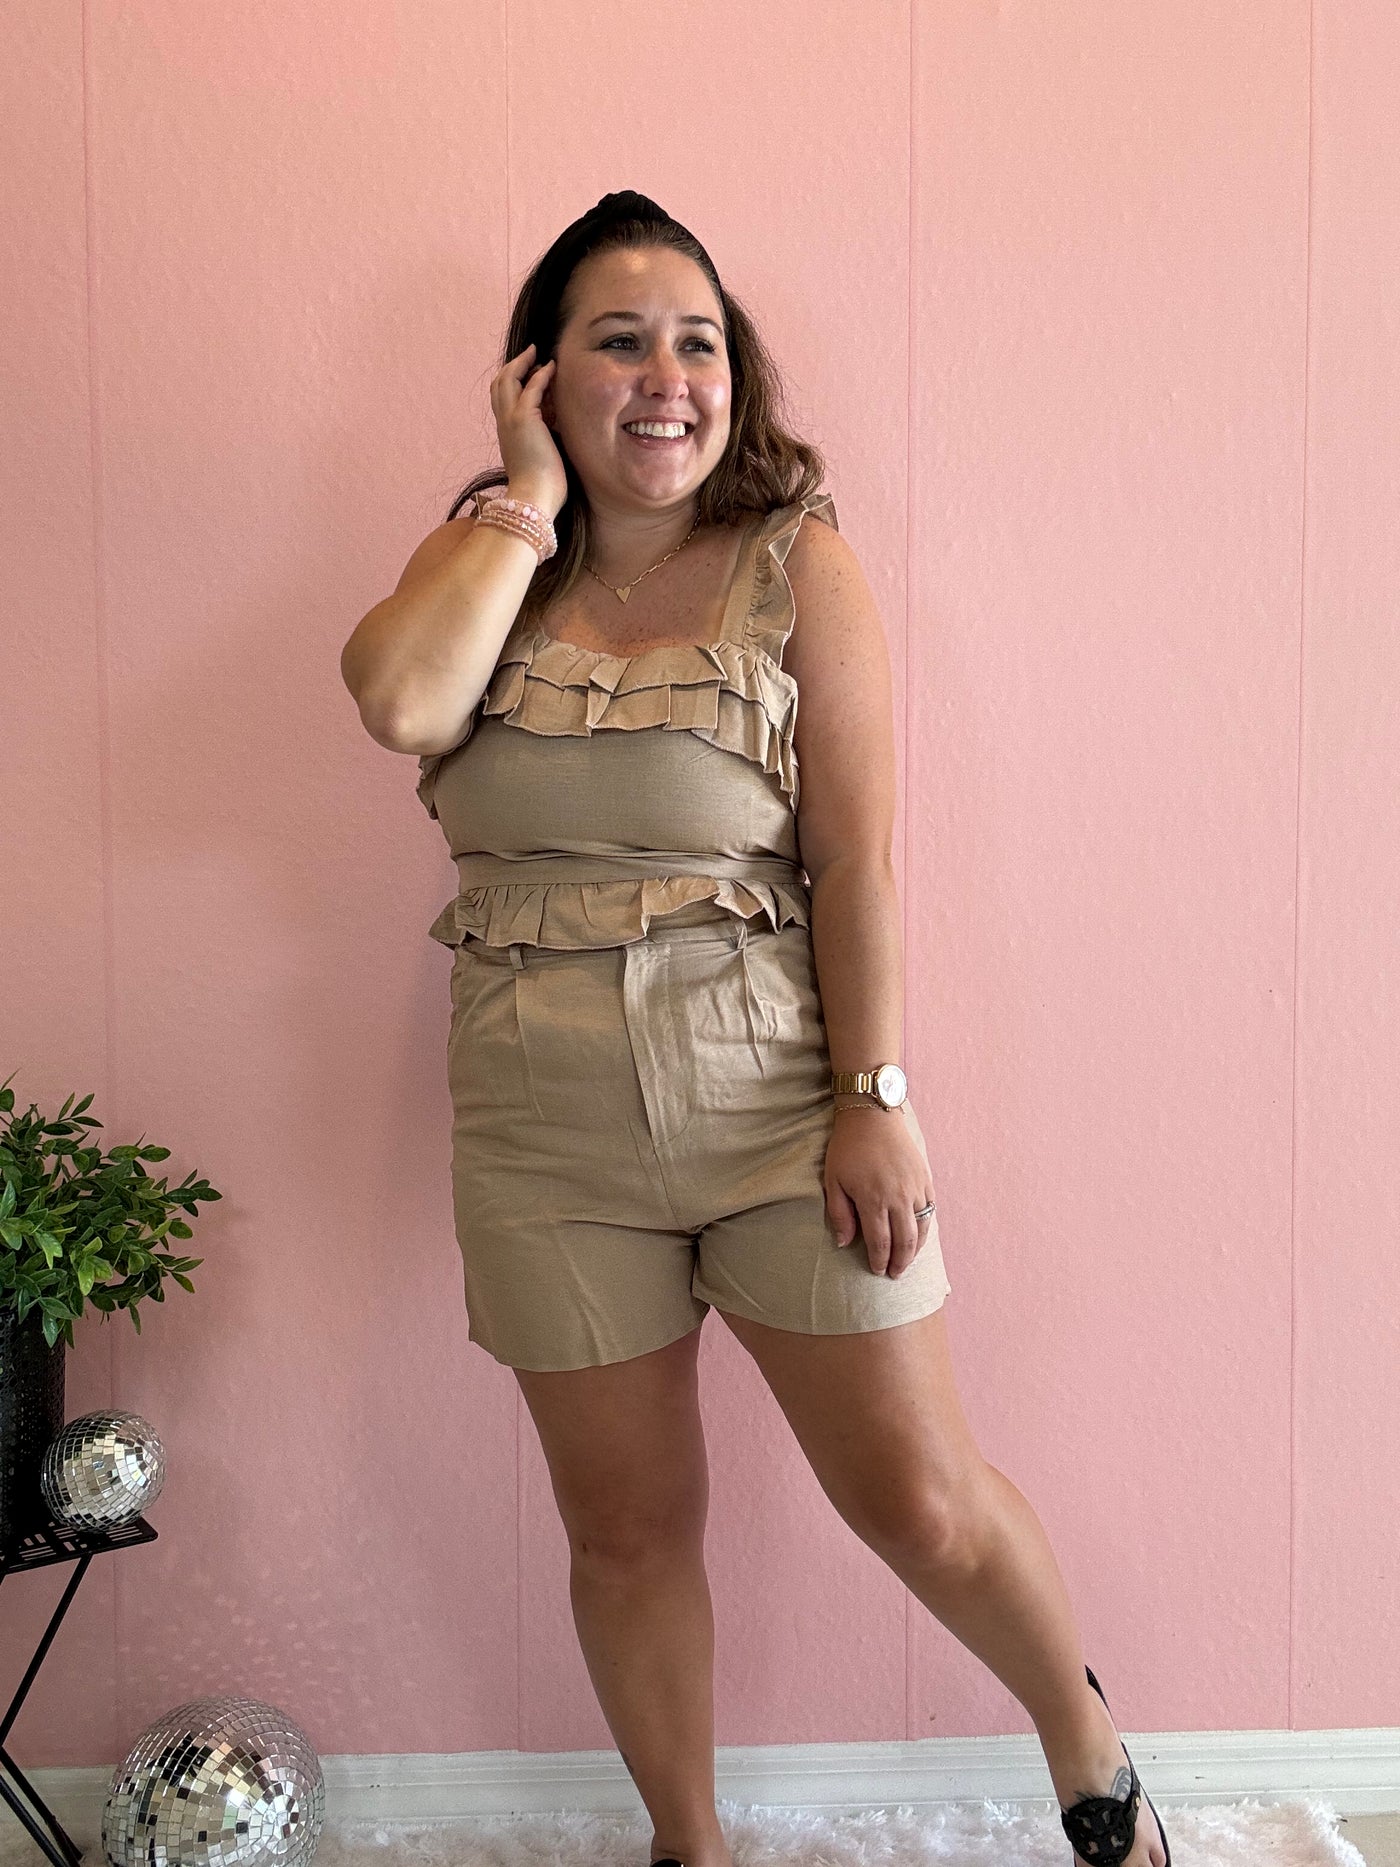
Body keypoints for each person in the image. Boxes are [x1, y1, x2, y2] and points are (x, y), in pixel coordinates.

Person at [340, 191, 1170, 1867]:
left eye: (698, 342)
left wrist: (874, 1095)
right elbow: (402, 705)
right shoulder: (483, 553)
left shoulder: (802, 564)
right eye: (618, 340)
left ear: (739, 377)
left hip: (774, 1088)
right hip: (539, 1112)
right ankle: (691, 1849)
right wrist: (526, 502)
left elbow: (852, 852)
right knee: (630, 1533)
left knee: (922, 1504)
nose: (667, 376)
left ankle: (1089, 1752)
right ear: (541, 376)